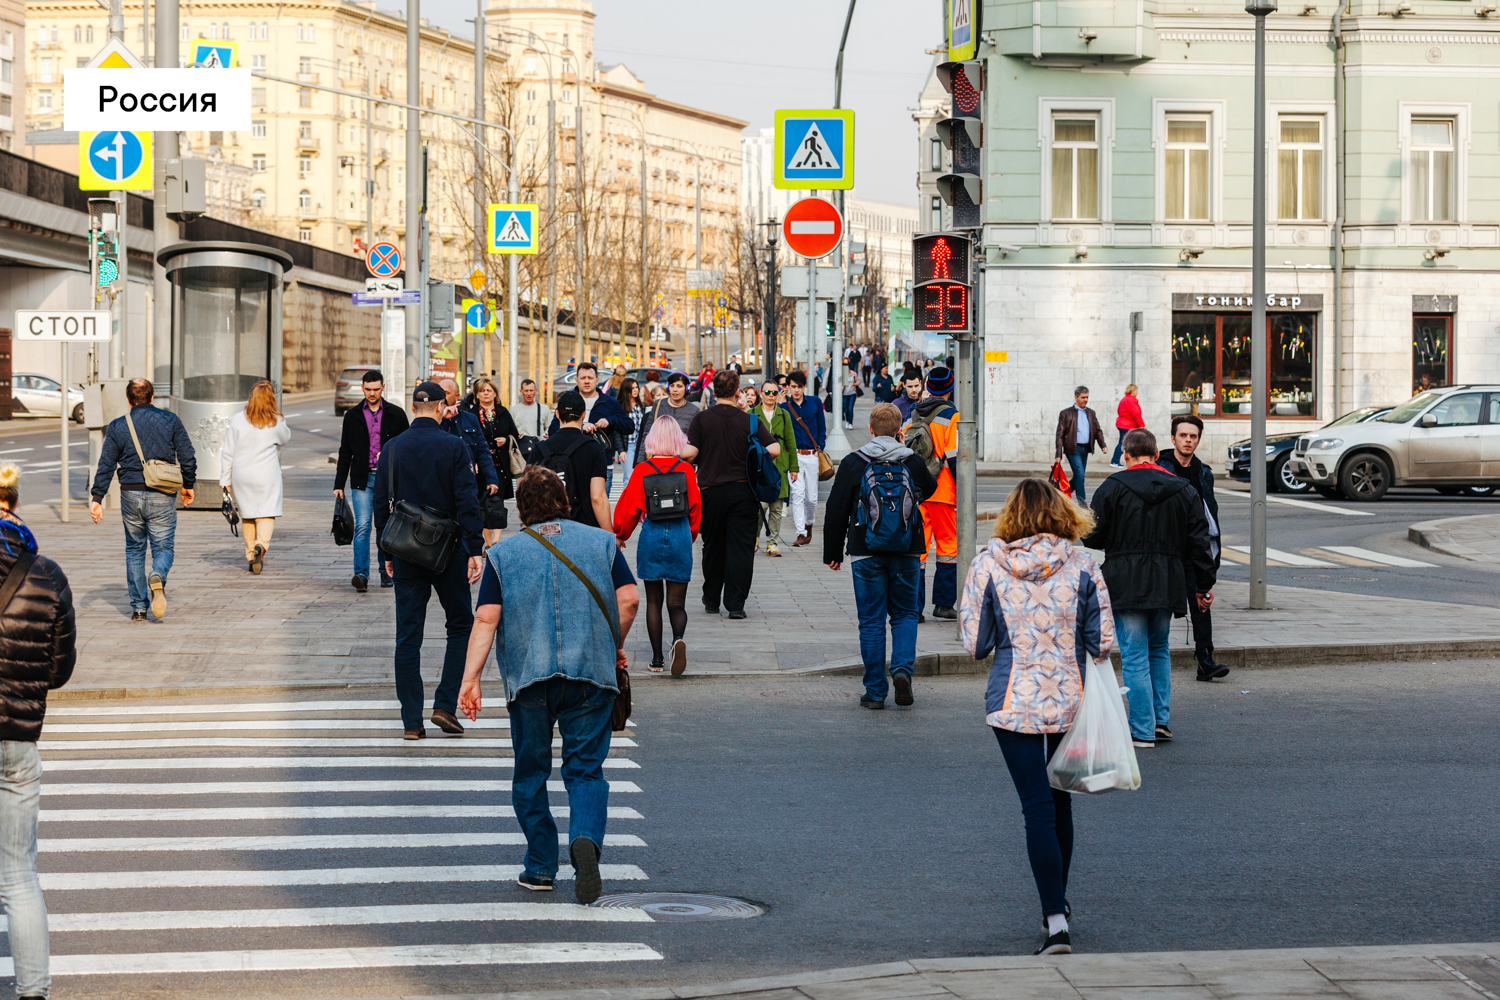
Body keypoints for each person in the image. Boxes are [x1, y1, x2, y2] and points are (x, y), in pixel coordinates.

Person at [461, 467, 639, 903]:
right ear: (565, 501)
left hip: (529, 678)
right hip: (590, 673)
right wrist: (613, 644)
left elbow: (486, 618)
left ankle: (541, 866)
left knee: (530, 773)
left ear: (521, 509)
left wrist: (470, 680)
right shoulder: (600, 542)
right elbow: (630, 599)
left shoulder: (504, 555)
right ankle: (584, 840)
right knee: (585, 771)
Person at [960, 477, 1115, 958]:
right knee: (1060, 805)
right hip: (1070, 696)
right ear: (1062, 512)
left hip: (1013, 701)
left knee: (1036, 810)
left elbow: (975, 644)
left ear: (1010, 515)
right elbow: (1103, 640)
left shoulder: (989, 564)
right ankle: (1059, 911)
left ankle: (1054, 920)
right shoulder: (1084, 564)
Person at [1082, 428, 1216, 748]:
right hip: (1168, 580)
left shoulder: (1112, 487)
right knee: (1159, 649)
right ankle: (1160, 721)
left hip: (1125, 580)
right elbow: (1199, 543)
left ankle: (1142, 728)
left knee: (1134, 655)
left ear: (1126, 455)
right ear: (1157, 455)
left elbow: (1092, 536)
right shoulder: (1184, 489)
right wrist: (1203, 585)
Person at [0, 463, 76, 999]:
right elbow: (59, 669)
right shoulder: (45, 573)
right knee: (18, 875)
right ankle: (32, 993)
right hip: (16, 740)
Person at [373, 381, 484, 740]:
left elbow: (381, 506)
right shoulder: (454, 446)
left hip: (405, 551)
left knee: (408, 636)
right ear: (441, 407)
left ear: (413, 406)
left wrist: (386, 552)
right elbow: (468, 502)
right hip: (448, 550)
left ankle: (411, 723)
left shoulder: (391, 448)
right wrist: (474, 548)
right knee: (461, 625)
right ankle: (444, 704)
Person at [823, 403, 938, 709]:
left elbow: (836, 510)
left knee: (871, 621)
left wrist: (833, 553)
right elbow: (930, 488)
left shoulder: (853, 462)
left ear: (871, 429)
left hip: (865, 551)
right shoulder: (911, 460)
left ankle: (875, 691)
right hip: (908, 549)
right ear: (900, 431)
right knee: (904, 614)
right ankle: (901, 669)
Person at [89, 378, 196, 621]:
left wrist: (97, 497)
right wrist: (188, 485)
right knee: (164, 547)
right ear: (152, 397)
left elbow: (106, 463)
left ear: (128, 400)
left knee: (134, 548)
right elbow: (188, 455)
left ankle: (138, 606)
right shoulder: (170, 420)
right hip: (162, 493)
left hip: (130, 493)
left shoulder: (118, 425)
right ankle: (157, 573)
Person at [685, 369, 780, 619]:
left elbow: (691, 453)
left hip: (710, 493)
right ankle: (736, 604)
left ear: (714, 390)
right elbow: (775, 449)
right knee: (741, 549)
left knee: (713, 546)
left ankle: (712, 598)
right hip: (743, 492)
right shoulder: (749, 421)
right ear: (737, 391)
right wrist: (752, 453)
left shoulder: (702, 419)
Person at [613, 417, 700, 675]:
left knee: (654, 601)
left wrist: (621, 534)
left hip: (651, 534)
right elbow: (695, 509)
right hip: (679, 534)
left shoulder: (642, 470)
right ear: (677, 440)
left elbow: (629, 508)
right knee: (677, 603)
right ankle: (678, 640)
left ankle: (657, 660)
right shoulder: (686, 470)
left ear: (652, 441)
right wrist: (689, 535)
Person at [1156, 414, 1230, 682]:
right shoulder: (1160, 468)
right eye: (1183, 435)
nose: (1188, 440)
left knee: (1201, 602)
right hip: (1165, 551)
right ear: (1173, 438)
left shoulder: (1203, 472)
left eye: (1193, 436)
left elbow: (1210, 513)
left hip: (1194, 548)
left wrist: (1212, 553)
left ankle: (1205, 660)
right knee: (1159, 606)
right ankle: (1155, 655)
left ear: (1198, 439)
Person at [335, 369, 410, 591]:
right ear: (362, 389)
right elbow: (345, 451)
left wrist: (390, 456)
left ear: (383, 388)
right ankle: (361, 575)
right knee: (363, 526)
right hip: (362, 478)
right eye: (368, 389)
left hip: (388, 479)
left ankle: (386, 572)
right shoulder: (352, 416)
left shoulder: (396, 414)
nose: (372, 393)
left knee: (386, 526)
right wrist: (338, 484)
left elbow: (406, 446)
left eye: (376, 389)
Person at [903, 366, 960, 621]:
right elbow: (955, 457)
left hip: (918, 490)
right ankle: (944, 604)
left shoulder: (915, 413)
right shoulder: (953, 415)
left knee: (919, 549)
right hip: (943, 490)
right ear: (950, 387)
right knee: (948, 547)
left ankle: (915, 608)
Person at [219, 381, 291, 575]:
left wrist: (225, 481)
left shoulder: (237, 419)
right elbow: (285, 438)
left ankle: (251, 555)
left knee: (248, 515)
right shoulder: (275, 420)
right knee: (266, 512)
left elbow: (228, 451)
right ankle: (261, 546)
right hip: (266, 474)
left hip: (242, 474)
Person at [547, 362, 627, 496]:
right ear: (576, 380)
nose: (586, 381)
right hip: (572, 465)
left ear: (597, 381)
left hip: (602, 465)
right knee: (573, 509)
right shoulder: (567, 400)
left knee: (598, 507)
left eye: (590, 378)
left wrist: (610, 421)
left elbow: (628, 425)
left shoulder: (609, 402)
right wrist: (579, 426)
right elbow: (553, 429)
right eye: (583, 378)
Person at [537, 392, 612, 529]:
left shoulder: (541, 448)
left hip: (548, 528)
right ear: (583, 415)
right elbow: (598, 497)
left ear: (558, 414)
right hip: (584, 527)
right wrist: (610, 535)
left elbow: (527, 494)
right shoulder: (594, 449)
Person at [463, 376, 520, 548]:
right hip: (480, 465)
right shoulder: (470, 414)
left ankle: (496, 541)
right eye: (482, 391)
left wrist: (506, 439)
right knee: (482, 503)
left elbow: (515, 434)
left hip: (500, 463)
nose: (486, 393)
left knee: (498, 502)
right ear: (476, 395)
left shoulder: (503, 412)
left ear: (495, 393)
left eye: (489, 390)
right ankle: (487, 543)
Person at [782, 371, 825, 547]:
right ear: (788, 387)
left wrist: (820, 447)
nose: (797, 390)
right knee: (797, 494)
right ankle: (800, 532)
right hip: (795, 456)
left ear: (804, 386)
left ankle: (809, 523)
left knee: (812, 498)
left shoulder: (815, 402)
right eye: (793, 387)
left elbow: (822, 427)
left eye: (799, 386)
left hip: (812, 455)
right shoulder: (785, 407)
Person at [757, 380, 796, 556]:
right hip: (759, 468)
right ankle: (754, 538)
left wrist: (793, 467)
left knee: (777, 509)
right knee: (760, 507)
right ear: (761, 394)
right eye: (767, 392)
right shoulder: (752, 414)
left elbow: (790, 442)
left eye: (774, 392)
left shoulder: (784, 415)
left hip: (780, 467)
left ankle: (773, 543)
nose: (771, 396)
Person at [1054, 385, 1108, 503]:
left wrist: (1102, 445)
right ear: (1076, 397)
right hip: (1073, 449)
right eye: (1083, 397)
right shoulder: (1066, 413)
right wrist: (1058, 454)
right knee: (1080, 475)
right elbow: (1060, 434)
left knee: (1079, 476)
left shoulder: (1091, 413)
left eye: (1087, 397)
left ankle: (1061, 494)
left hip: (1085, 448)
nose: (1085, 400)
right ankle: (1082, 503)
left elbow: (1097, 430)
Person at [633, 372, 700, 463]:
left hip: (680, 465)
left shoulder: (694, 410)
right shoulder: (658, 405)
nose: (675, 390)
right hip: (656, 463)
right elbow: (646, 434)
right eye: (672, 386)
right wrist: (640, 463)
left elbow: (695, 443)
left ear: (687, 388)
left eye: (679, 386)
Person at [512, 378, 553, 464]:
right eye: (526, 391)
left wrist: (548, 433)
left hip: (540, 450)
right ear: (521, 391)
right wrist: (515, 434)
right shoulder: (513, 410)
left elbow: (551, 427)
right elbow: (509, 431)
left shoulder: (544, 409)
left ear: (536, 391)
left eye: (531, 390)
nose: (529, 394)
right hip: (521, 452)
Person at [616, 378, 645, 495]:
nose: (635, 390)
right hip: (628, 447)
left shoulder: (642, 406)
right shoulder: (620, 408)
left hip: (641, 446)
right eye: (632, 388)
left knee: (641, 478)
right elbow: (617, 431)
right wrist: (621, 450)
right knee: (628, 478)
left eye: (636, 387)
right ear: (626, 390)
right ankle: (626, 506)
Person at [1112, 384, 1144, 467]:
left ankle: (1115, 461)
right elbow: (1136, 414)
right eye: (1136, 390)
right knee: (1124, 444)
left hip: (1122, 424)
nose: (1137, 392)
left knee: (1122, 443)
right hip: (1128, 425)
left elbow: (1119, 411)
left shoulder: (1124, 399)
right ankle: (1115, 461)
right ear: (1132, 391)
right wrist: (1141, 425)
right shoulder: (1131, 400)